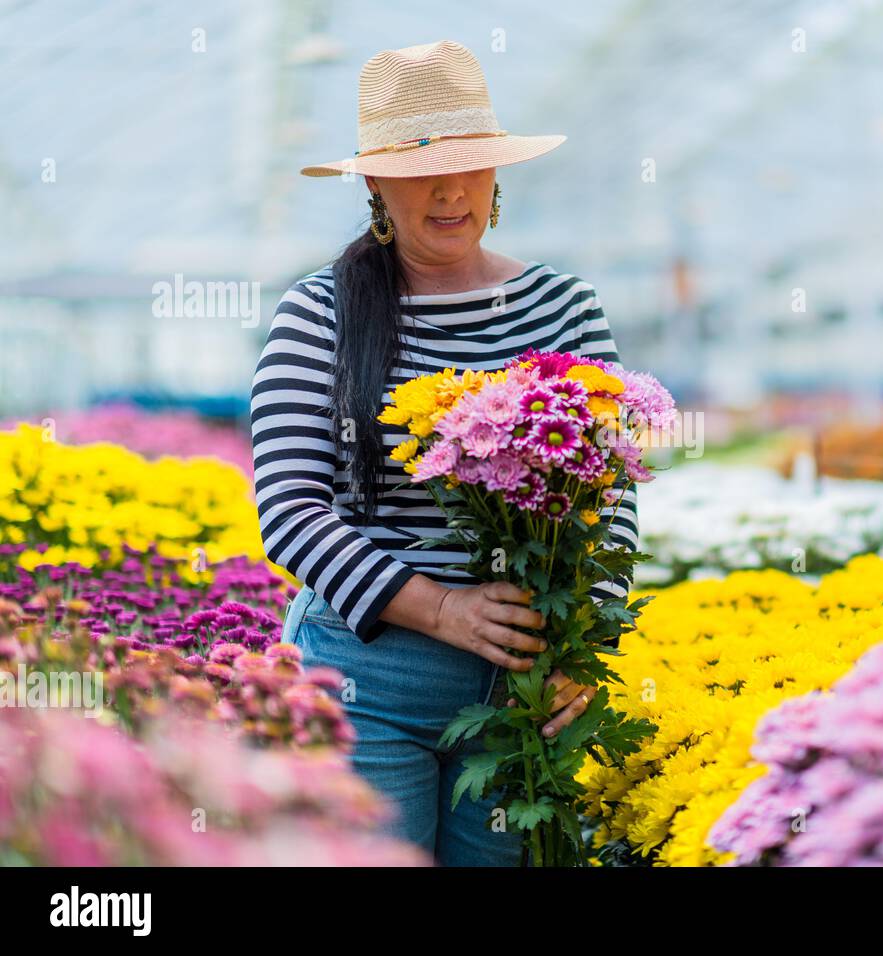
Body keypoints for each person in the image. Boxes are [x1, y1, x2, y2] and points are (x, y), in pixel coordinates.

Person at [250, 40, 637, 865]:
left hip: (525, 683)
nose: (452, 189)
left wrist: (582, 654)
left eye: (472, 164)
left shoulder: (564, 307)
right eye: (423, 170)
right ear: (373, 184)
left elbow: (614, 497)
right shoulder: (318, 313)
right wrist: (446, 610)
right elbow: (287, 511)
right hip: (368, 678)